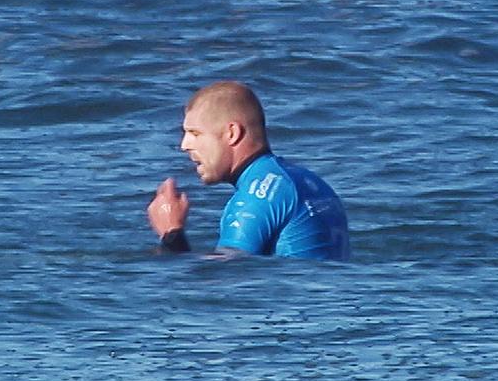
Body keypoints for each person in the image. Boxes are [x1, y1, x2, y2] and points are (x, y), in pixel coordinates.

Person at [147, 81, 351, 261]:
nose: (184, 145)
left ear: (232, 133)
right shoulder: (308, 181)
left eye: (195, 133)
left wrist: (171, 233)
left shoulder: (254, 198)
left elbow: (223, 285)